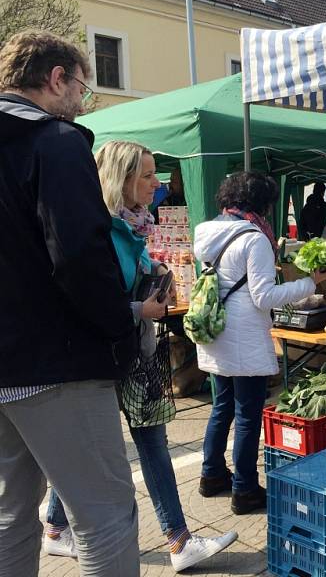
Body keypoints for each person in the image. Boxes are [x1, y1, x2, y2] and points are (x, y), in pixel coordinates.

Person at [42, 141, 238, 572]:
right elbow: (90, 298)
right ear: (123, 178)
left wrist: (158, 281)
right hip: (111, 354)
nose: (158, 183)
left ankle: (56, 528)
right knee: (148, 445)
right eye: (148, 175)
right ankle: (178, 539)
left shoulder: (135, 225)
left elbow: (127, 281)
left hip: (132, 349)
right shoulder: (102, 230)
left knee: (140, 442)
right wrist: (140, 308)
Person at [0, 30, 139, 576]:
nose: (83, 101)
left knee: (12, 514)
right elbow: (81, 256)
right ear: (57, 78)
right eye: (81, 86)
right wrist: (120, 331)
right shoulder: (56, 142)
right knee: (105, 516)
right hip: (57, 362)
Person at [194, 172, 326, 514]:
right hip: (244, 339)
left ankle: (211, 475)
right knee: (246, 414)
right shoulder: (253, 238)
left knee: (222, 406)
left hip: (217, 333)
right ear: (260, 203)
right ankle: (244, 489)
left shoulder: (210, 231)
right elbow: (263, 296)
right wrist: (309, 283)